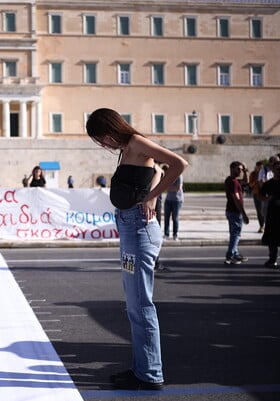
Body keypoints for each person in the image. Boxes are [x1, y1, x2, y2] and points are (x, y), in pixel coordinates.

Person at [86, 108, 188, 391]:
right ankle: (141, 368)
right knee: (134, 304)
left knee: (141, 304)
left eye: (101, 139)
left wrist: (152, 198)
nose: (103, 145)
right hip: (130, 228)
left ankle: (150, 374)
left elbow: (178, 164)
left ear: (110, 130)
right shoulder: (127, 148)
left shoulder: (136, 143)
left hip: (139, 229)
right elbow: (156, 169)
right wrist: (150, 192)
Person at [224, 161, 250, 265]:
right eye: (238, 169)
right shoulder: (233, 182)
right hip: (235, 211)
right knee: (236, 235)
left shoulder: (231, 180)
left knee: (234, 234)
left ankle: (235, 253)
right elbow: (236, 199)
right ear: (232, 169)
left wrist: (245, 170)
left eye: (241, 169)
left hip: (231, 211)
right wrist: (244, 214)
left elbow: (246, 181)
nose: (240, 171)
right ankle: (230, 256)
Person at [261, 158, 280, 268]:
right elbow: (260, 195)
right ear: (273, 169)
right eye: (277, 168)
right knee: (272, 240)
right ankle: (272, 259)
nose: (279, 170)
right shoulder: (269, 184)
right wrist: (266, 199)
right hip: (273, 215)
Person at [163, 171, 184, 241]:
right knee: (166, 218)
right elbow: (164, 186)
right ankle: (166, 234)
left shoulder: (179, 176)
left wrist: (168, 188)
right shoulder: (169, 175)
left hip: (177, 200)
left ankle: (175, 235)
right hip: (168, 199)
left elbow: (178, 188)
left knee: (175, 218)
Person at [249, 161, 265, 233]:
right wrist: (256, 181)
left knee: (264, 210)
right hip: (256, 194)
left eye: (262, 167)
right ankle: (261, 226)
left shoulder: (265, 173)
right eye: (259, 167)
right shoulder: (253, 174)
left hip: (264, 194)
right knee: (259, 211)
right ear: (256, 167)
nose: (260, 169)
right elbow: (250, 185)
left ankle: (266, 225)